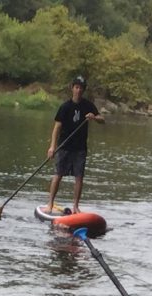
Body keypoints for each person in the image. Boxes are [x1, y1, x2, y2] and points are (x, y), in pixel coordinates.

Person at [44, 75, 105, 214]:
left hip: (80, 149)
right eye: (76, 87)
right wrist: (52, 147)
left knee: (79, 177)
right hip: (64, 146)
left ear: (83, 90)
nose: (78, 90)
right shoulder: (65, 107)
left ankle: (75, 206)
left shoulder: (88, 105)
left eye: (81, 88)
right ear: (72, 88)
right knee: (58, 174)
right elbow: (56, 128)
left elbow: (102, 119)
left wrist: (94, 117)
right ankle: (50, 204)